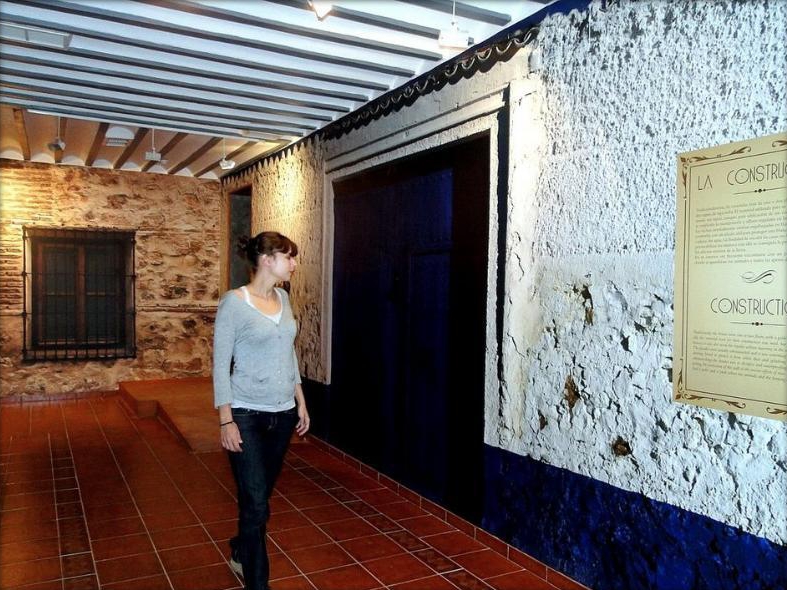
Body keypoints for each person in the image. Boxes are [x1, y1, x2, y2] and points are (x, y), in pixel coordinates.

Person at [213, 231, 310, 590]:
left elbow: (289, 352)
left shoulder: (283, 297)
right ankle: (258, 583)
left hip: (283, 414)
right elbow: (220, 365)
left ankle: (241, 548)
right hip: (246, 414)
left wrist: (300, 400)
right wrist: (226, 419)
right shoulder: (234, 303)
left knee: (259, 495)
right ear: (268, 260)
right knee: (256, 503)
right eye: (289, 257)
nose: (294, 264)